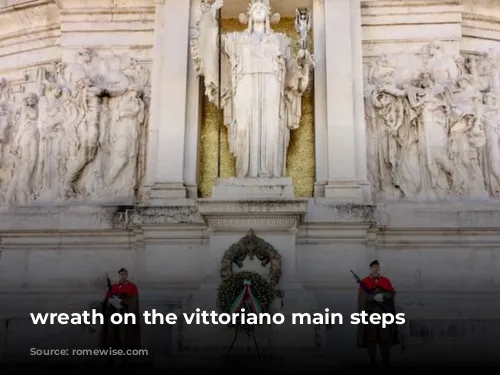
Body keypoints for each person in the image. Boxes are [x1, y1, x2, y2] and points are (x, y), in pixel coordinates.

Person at [356, 260, 399, 366]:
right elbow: (362, 297)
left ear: (379, 268)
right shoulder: (365, 281)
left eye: (377, 266)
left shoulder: (385, 280)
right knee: (371, 338)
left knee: (385, 338)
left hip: (384, 315)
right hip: (371, 315)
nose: (375, 268)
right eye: (374, 266)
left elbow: (392, 293)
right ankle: (372, 360)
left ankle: (385, 360)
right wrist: (372, 297)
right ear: (370, 268)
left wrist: (383, 296)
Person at [99, 268, 141, 364]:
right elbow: (106, 300)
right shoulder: (113, 287)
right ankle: (110, 356)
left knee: (123, 335)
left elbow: (133, 301)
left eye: (125, 274)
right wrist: (110, 302)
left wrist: (122, 301)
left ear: (127, 275)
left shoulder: (132, 286)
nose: (123, 275)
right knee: (111, 334)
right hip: (113, 315)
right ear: (118, 275)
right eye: (121, 274)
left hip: (124, 315)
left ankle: (124, 356)